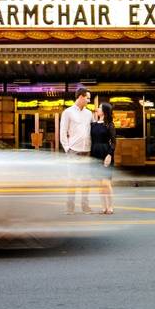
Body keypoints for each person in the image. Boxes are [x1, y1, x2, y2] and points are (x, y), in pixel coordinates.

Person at [59, 86, 93, 214]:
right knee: (72, 181)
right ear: (80, 97)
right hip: (73, 151)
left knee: (86, 181)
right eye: (87, 98)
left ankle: (85, 207)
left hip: (87, 151)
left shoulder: (89, 113)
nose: (89, 101)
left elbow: (92, 130)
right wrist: (67, 148)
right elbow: (63, 131)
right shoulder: (68, 112)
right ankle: (70, 207)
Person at [90, 102, 116, 214]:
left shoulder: (110, 124)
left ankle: (110, 206)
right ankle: (103, 206)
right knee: (99, 184)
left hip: (105, 153)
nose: (97, 109)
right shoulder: (94, 124)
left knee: (106, 183)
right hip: (94, 153)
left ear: (104, 111)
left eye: (100, 108)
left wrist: (110, 155)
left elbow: (114, 142)